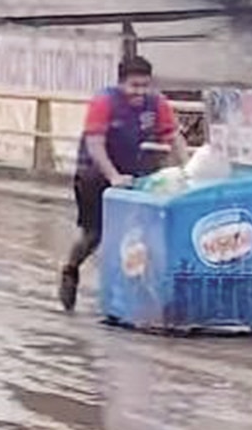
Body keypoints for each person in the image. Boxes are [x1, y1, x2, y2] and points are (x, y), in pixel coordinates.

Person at [58, 56, 188, 312]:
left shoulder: (156, 103)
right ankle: (70, 269)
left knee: (139, 232)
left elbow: (173, 137)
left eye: (144, 86)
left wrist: (186, 171)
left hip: (132, 172)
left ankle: (130, 289)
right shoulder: (104, 102)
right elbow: (95, 144)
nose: (139, 92)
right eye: (133, 86)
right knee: (94, 234)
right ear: (120, 84)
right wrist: (113, 176)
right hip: (94, 172)